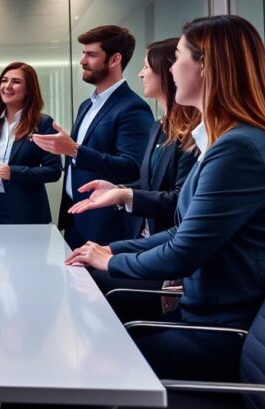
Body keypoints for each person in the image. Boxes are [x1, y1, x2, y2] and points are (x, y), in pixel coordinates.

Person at [68, 15, 265, 383]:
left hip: (220, 333)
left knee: (76, 361)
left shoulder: (239, 149)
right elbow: (184, 231)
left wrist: (111, 262)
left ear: (206, 65)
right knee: (90, 336)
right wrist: (111, 250)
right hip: (209, 317)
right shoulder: (232, 142)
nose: (170, 68)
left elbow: (183, 251)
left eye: (178, 56)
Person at [67, 37, 200, 321]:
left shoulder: (194, 134)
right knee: (83, 275)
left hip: (169, 258)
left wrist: (123, 194)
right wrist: (117, 189)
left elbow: (179, 203)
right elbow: (148, 184)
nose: (140, 73)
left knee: (92, 285)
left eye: (145, 67)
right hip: (147, 239)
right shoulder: (158, 126)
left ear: (167, 71)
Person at [32, 25, 153, 248]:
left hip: (107, 225)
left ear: (115, 59)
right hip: (76, 219)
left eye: (91, 54)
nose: (82, 61)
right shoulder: (86, 105)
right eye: (83, 53)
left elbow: (133, 167)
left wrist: (74, 150)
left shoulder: (133, 108)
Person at [0, 62, 62, 224]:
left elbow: (54, 171)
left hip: (26, 209)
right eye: (4, 80)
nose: (7, 86)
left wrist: (14, 172)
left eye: (16, 82)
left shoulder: (43, 123)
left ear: (29, 89)